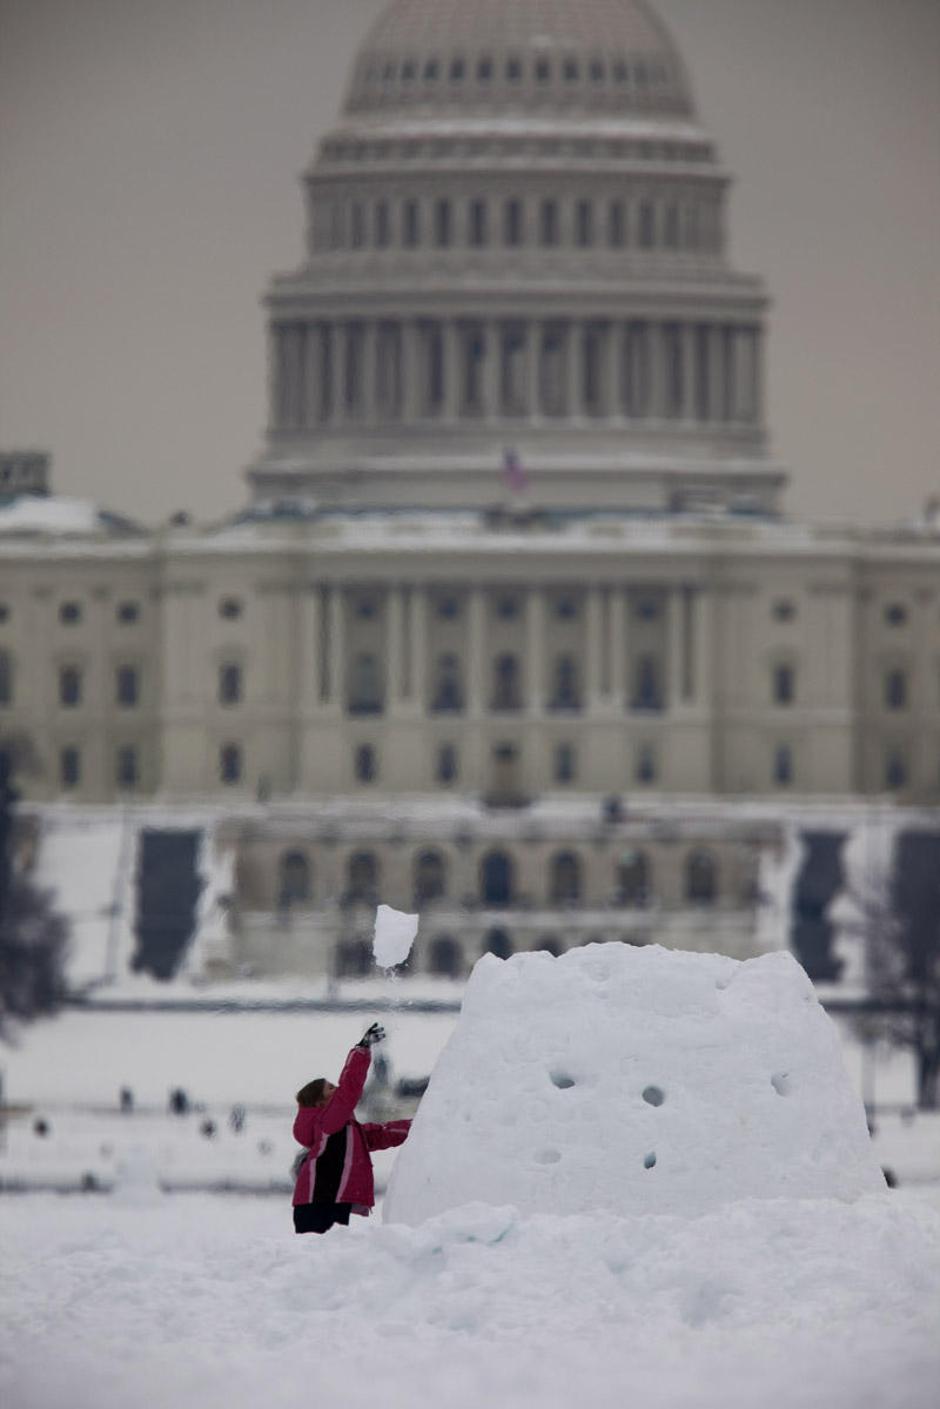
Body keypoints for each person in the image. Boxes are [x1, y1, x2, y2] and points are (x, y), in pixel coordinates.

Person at [292, 1022, 411, 1235]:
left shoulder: (343, 1131)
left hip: (327, 1202)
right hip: (319, 1203)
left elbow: (380, 1134)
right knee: (321, 1251)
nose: (337, 1089)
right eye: (330, 1088)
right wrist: (362, 1049)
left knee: (325, 1252)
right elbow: (349, 1088)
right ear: (320, 1103)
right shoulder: (328, 1123)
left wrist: (417, 1126)